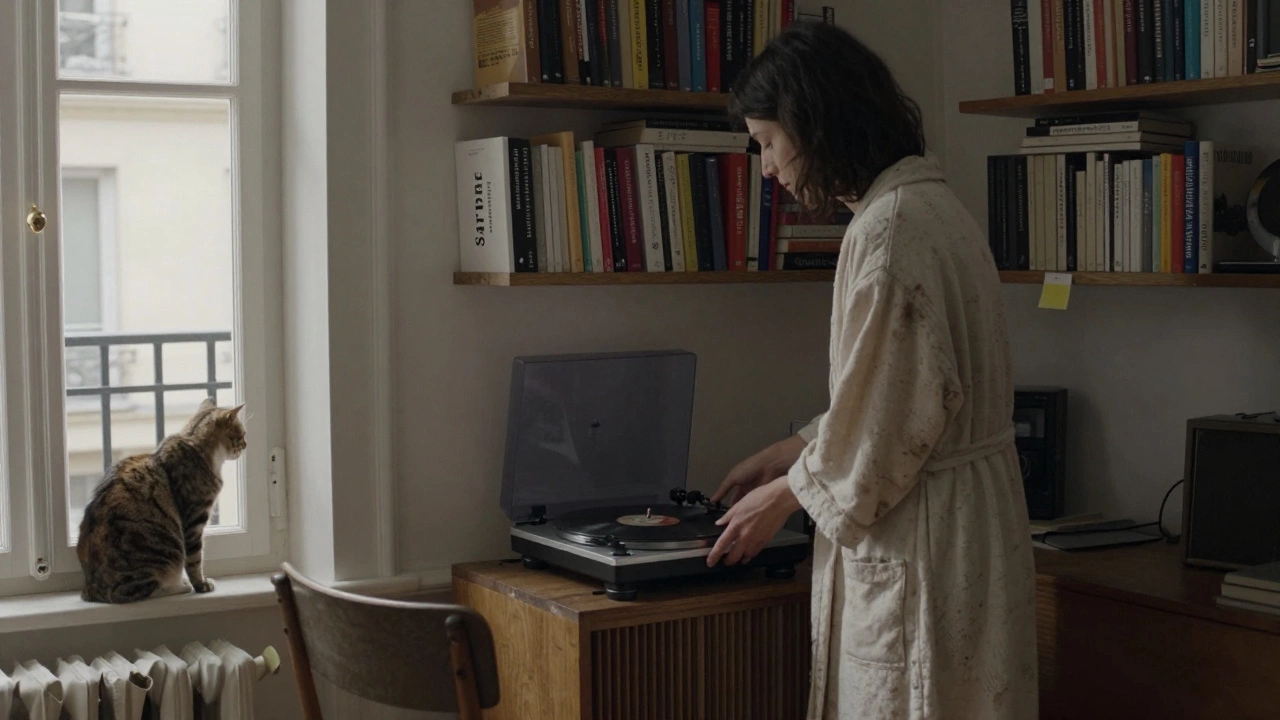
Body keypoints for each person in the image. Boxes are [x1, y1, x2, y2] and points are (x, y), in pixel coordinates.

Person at [704, 21, 1039, 720]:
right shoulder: (933, 206)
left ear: (816, 123)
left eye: (767, 142)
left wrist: (780, 499)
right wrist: (789, 452)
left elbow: (889, 429)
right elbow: (902, 387)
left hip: (928, 535)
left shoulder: (890, 232)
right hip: (971, 524)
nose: (765, 167)